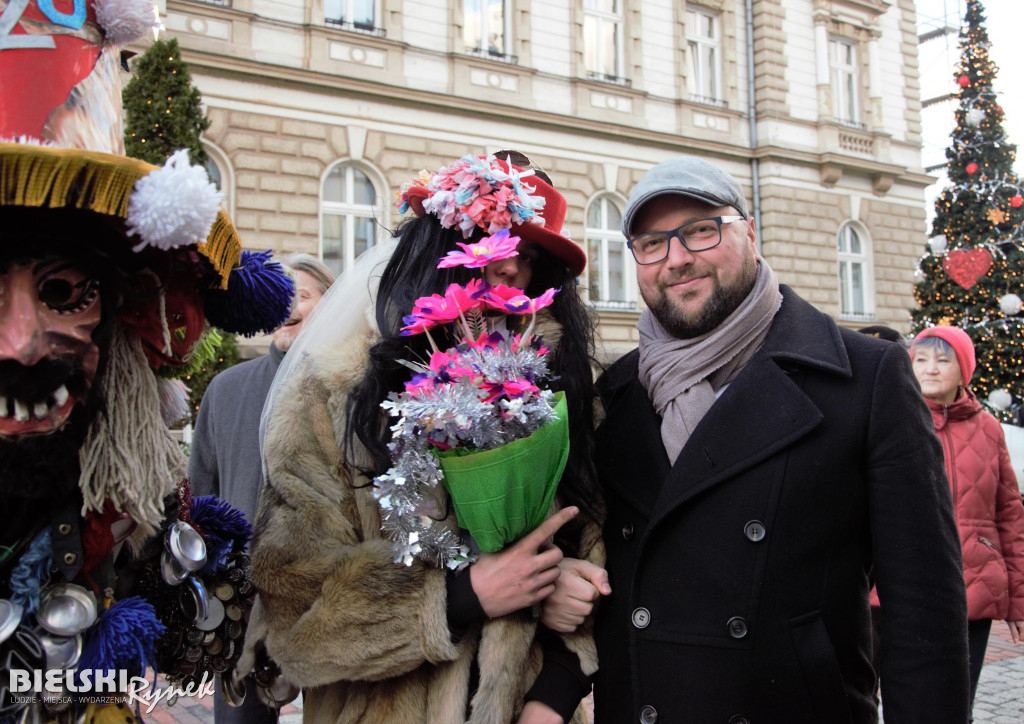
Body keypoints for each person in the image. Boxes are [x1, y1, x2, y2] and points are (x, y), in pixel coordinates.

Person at [584, 156, 969, 723]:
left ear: (750, 234)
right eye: (651, 243)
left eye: (700, 230)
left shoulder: (866, 378)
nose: (677, 258)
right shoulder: (613, 397)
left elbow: (924, 608)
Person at [0, 1, 293, 720]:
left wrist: (197, 589)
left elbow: (198, 648)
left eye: (63, 293)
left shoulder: (128, 495)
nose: (18, 342)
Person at [244, 153, 604, 723]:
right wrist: (459, 597)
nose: (508, 266)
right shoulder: (332, 395)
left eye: (529, 256)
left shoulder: (563, 391)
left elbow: (591, 551)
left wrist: (552, 697)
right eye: (490, 239)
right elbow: (294, 615)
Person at [188, 253, 334, 724]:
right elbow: (199, 495)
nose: (288, 305)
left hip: (327, 605)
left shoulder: (353, 390)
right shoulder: (225, 390)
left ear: (331, 306)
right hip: (240, 606)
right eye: (280, 297)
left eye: (303, 296)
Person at [908, 325, 1024, 720]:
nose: (931, 370)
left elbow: (1009, 514)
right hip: (901, 590)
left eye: (943, 360)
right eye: (920, 360)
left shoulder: (989, 429)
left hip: (974, 587)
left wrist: (1019, 602)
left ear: (965, 370)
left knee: (958, 704)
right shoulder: (894, 420)